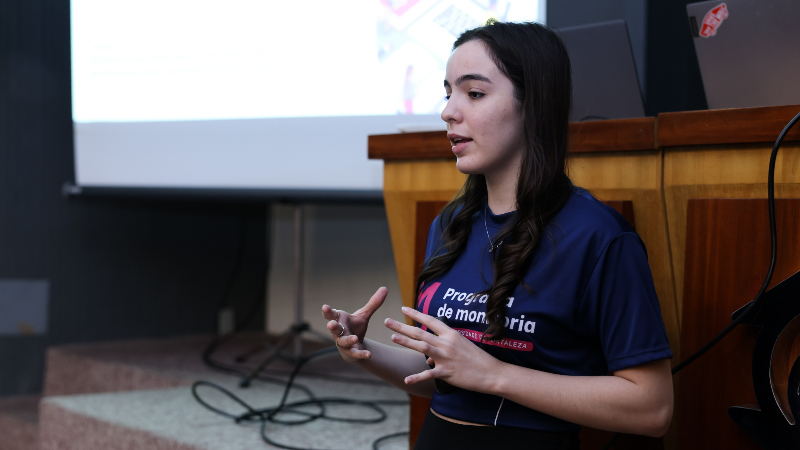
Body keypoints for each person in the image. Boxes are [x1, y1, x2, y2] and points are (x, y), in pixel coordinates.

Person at [322, 20, 673, 450]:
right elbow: (439, 375)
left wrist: (493, 374)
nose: (449, 111)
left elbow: (653, 409)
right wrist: (362, 350)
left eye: (473, 93)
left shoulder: (598, 238)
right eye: (448, 92)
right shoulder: (450, 225)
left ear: (534, 105)